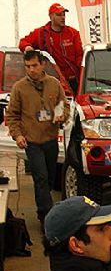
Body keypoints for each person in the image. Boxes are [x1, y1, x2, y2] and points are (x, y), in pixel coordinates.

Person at [6, 50, 69, 227]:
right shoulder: (19, 87)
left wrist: (60, 116)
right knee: (40, 177)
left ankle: (46, 207)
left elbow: (62, 105)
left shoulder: (54, 84)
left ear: (42, 65)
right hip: (31, 141)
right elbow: (12, 115)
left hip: (50, 139)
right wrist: (17, 135)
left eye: (34, 65)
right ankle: (46, 217)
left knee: (48, 179)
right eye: (27, 67)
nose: (31, 70)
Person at [19, 3, 83, 94]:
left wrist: (82, 79)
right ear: (51, 16)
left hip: (74, 81)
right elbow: (23, 42)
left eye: (64, 14)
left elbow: (80, 57)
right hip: (52, 81)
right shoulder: (41, 33)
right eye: (59, 15)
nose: (63, 17)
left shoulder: (73, 33)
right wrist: (27, 47)